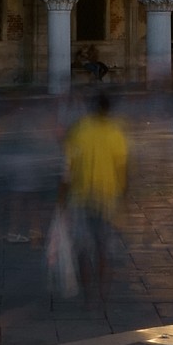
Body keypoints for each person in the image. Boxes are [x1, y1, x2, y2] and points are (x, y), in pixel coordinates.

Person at [62, 90, 127, 299]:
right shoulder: (116, 132)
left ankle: (88, 291)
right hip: (107, 197)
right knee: (102, 246)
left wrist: (61, 198)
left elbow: (67, 168)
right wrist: (123, 194)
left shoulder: (79, 130)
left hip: (81, 197)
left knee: (82, 247)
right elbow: (122, 166)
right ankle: (102, 291)